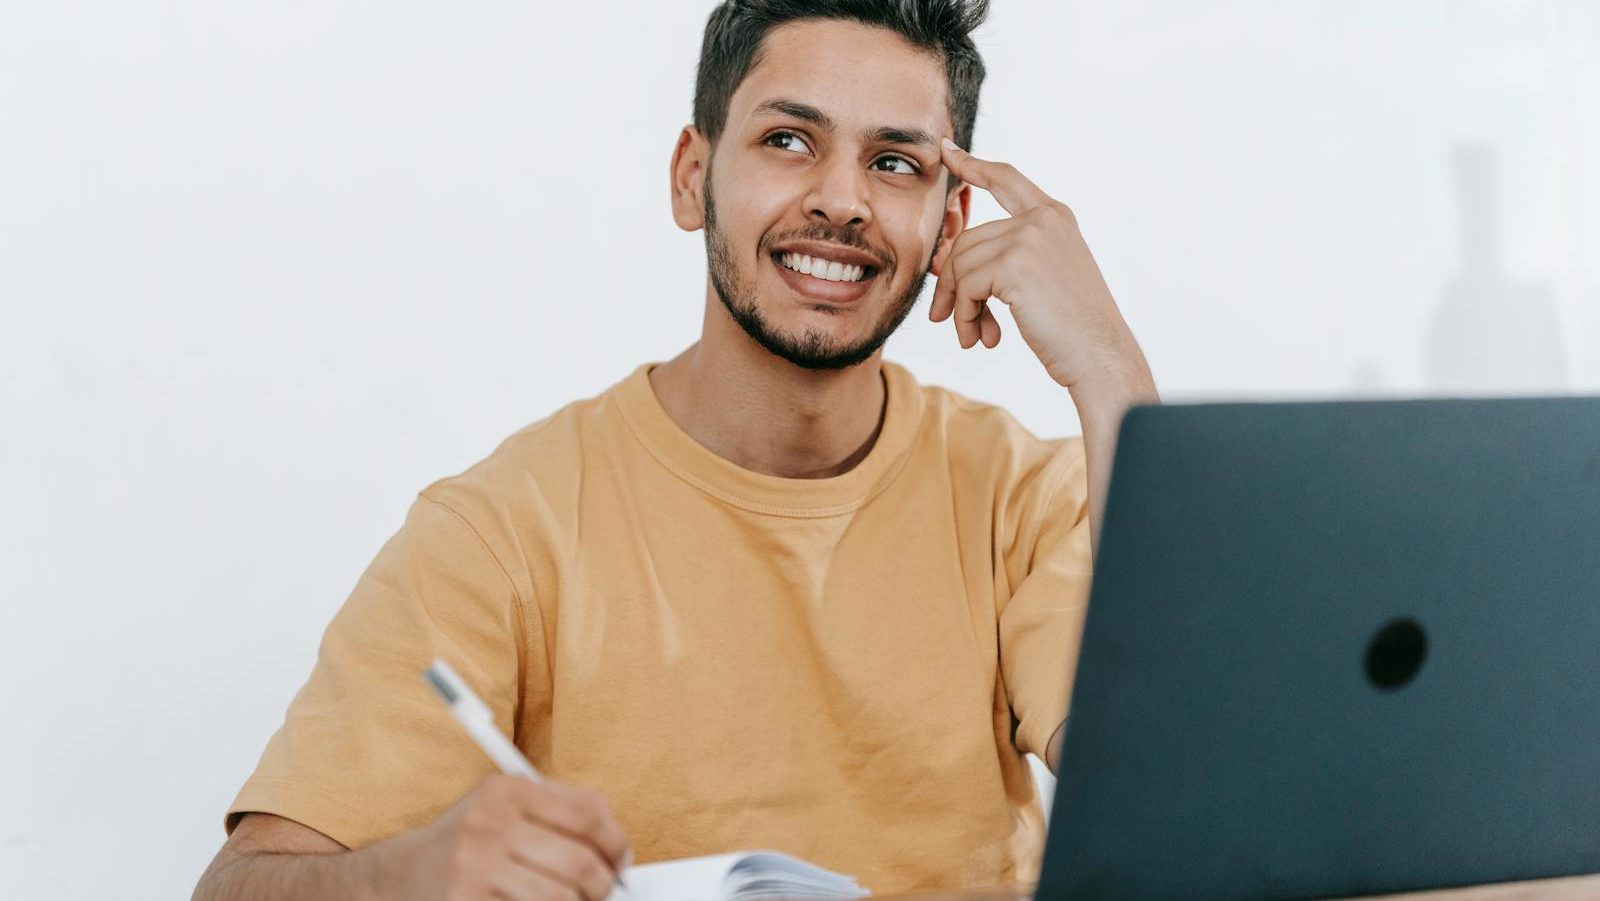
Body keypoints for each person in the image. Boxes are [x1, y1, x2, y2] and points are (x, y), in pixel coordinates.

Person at [192, 1, 1158, 899]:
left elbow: (1193, 798)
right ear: (692, 177)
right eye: (788, 141)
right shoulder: (503, 530)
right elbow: (241, 883)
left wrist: (1111, 374)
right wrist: (414, 874)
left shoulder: (1032, 501)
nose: (842, 201)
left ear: (949, 223)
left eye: (895, 163)